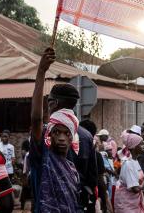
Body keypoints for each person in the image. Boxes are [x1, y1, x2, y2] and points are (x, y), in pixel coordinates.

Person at [30, 47, 85, 212]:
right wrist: (41, 71)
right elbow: (36, 119)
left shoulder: (71, 165)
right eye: (56, 133)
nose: (61, 137)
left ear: (72, 136)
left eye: (66, 134)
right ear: (50, 134)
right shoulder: (45, 148)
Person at [80, 119, 114, 213]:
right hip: (88, 197)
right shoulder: (95, 154)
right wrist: (105, 198)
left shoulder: (68, 151)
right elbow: (100, 179)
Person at [114, 130, 144, 212]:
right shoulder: (128, 164)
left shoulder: (135, 161)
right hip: (127, 205)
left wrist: (141, 187)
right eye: (141, 144)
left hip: (133, 203)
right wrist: (143, 186)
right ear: (134, 146)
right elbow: (135, 189)